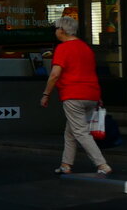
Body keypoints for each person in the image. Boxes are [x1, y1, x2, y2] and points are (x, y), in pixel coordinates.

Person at [39, 16, 113, 176]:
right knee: (71, 131)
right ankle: (66, 165)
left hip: (73, 94)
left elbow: (54, 75)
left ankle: (102, 164)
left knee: (80, 131)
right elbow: (92, 72)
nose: (55, 32)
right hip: (91, 94)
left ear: (62, 30)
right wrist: (98, 96)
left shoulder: (63, 48)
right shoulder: (86, 48)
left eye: (56, 29)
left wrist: (46, 94)